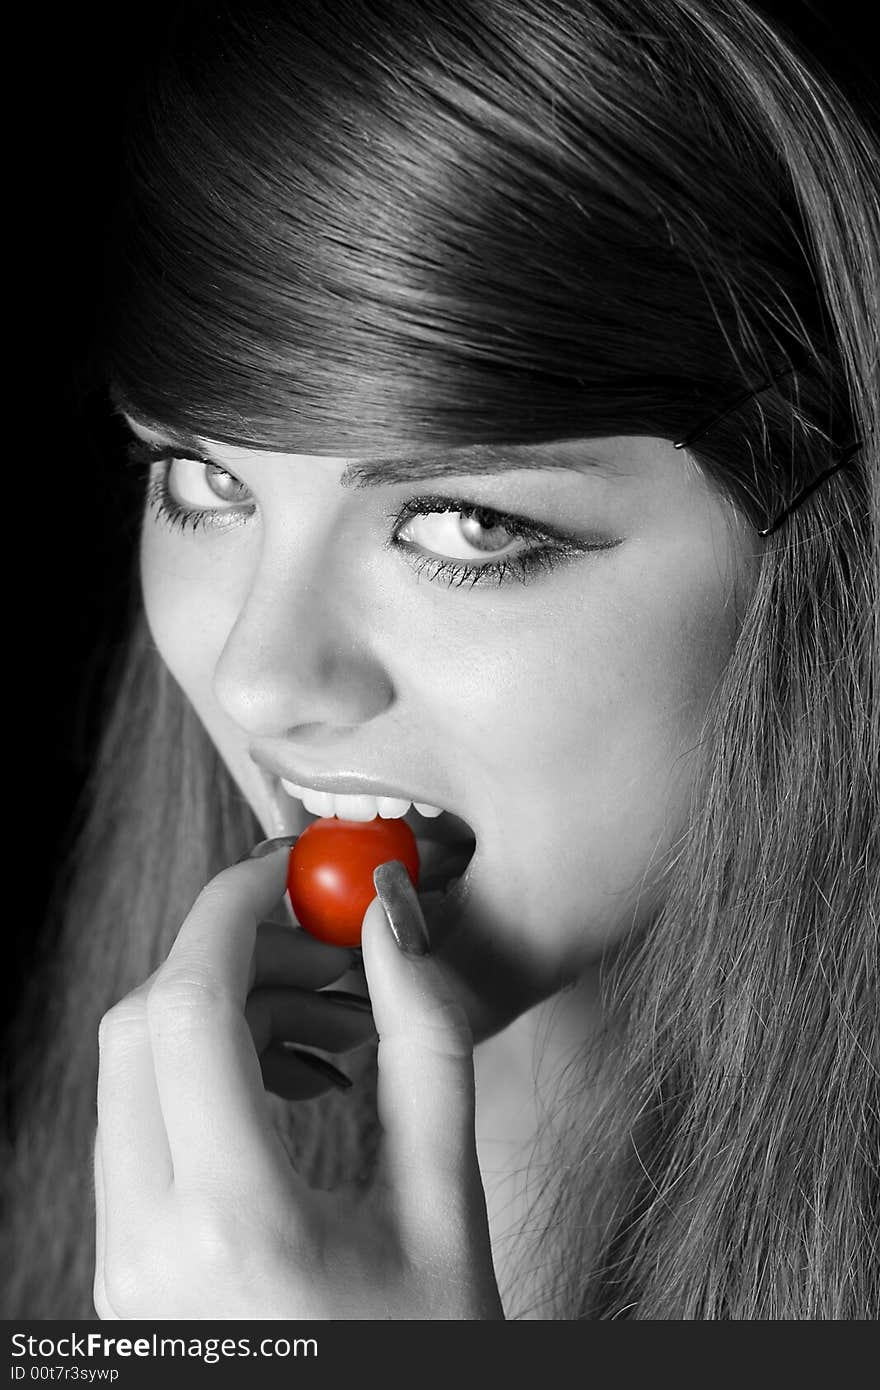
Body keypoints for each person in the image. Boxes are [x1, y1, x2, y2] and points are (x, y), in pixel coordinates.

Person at [3, 0, 877, 1320]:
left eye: (463, 523)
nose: (259, 679)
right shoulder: (99, 1219)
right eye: (204, 480)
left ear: (821, 551)